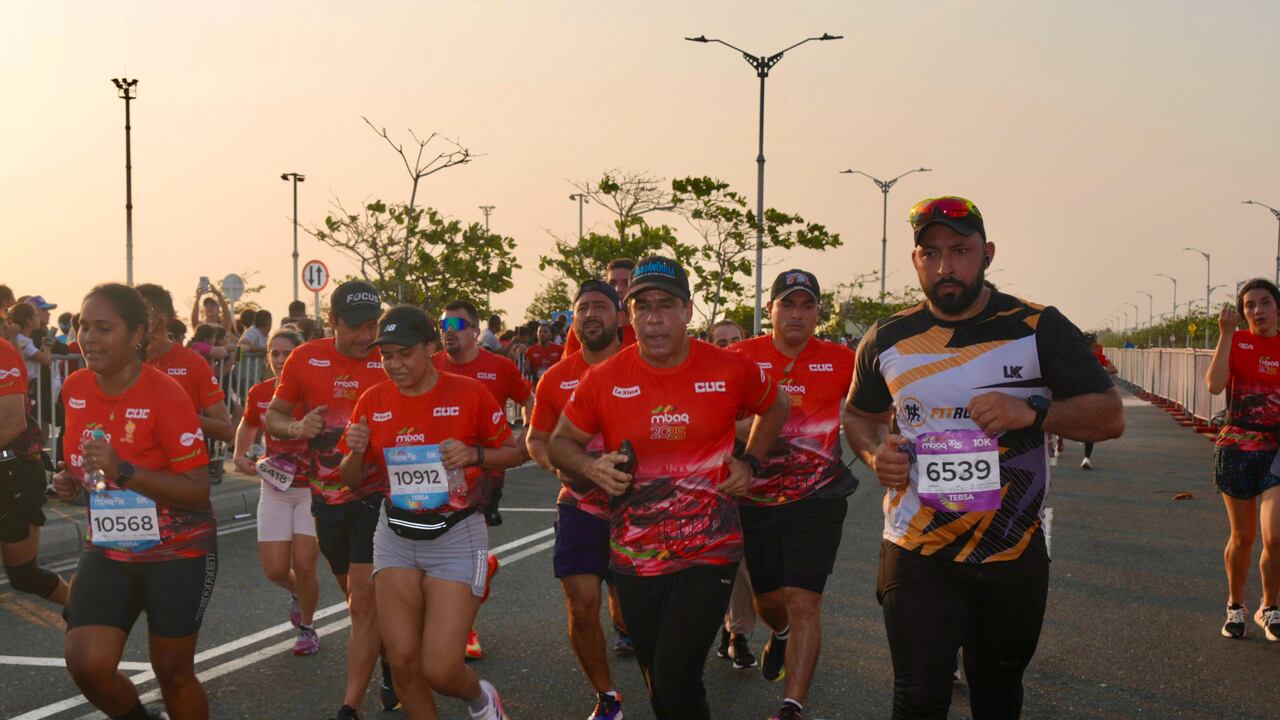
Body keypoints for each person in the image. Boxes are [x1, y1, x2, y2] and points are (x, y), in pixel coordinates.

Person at [843, 196, 1123, 719]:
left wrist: (1032, 411)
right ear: (915, 261)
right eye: (931, 253)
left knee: (996, 695)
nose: (946, 266)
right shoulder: (887, 338)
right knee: (918, 697)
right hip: (915, 545)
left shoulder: (1038, 327)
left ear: (987, 253)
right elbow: (859, 415)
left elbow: (1109, 416)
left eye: (961, 250)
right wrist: (873, 451)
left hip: (1010, 550)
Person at [550, 256, 790, 719]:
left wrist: (752, 462)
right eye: (642, 307)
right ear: (630, 315)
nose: (654, 318)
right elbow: (559, 443)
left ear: (688, 310)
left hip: (709, 548)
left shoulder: (729, 367)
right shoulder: (604, 379)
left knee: (677, 673)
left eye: (666, 305)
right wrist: (591, 466)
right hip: (635, 555)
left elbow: (775, 406)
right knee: (659, 678)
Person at [339, 305, 521, 720]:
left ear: (430, 348)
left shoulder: (469, 394)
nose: (395, 365)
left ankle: (481, 700)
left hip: (456, 536)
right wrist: (354, 450)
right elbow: (351, 479)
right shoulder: (373, 400)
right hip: (396, 537)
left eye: (405, 354)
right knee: (402, 661)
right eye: (386, 356)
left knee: (439, 668)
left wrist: (474, 454)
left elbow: (515, 452)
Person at [53, 283, 218, 720]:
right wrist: (71, 482)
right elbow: (86, 466)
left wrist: (124, 470)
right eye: (82, 326)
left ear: (137, 335)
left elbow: (197, 488)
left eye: (103, 328)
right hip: (109, 547)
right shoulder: (75, 388)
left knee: (172, 670)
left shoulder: (166, 395)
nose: (88, 338)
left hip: (178, 549)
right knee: (87, 662)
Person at [265, 280, 397, 719]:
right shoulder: (306, 358)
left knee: (362, 595)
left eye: (372, 325)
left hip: (380, 491)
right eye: (357, 326)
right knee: (356, 598)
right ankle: (392, 658)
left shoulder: (389, 358)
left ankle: (352, 703)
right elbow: (275, 416)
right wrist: (296, 429)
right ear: (332, 322)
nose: (367, 336)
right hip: (326, 496)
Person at [732, 270, 857, 720]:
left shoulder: (843, 359)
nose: (797, 314)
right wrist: (746, 430)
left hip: (817, 499)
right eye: (788, 304)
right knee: (770, 600)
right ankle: (778, 632)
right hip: (756, 499)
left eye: (807, 306)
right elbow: (711, 413)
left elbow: (868, 413)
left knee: (805, 599)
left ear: (819, 313)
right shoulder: (740, 356)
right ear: (770, 310)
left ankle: (792, 706)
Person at [526, 280, 630, 720]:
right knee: (581, 606)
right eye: (582, 307)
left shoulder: (643, 364)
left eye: (601, 307)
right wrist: (563, 470)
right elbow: (536, 439)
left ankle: (664, 680)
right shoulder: (556, 378)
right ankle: (607, 697)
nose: (591, 314)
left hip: (641, 508)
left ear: (619, 316)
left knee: (633, 616)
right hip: (580, 505)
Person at [433, 299, 531, 659]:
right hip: (437, 472)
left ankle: (465, 626)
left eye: (457, 326)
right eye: (442, 326)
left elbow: (527, 398)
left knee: (461, 552)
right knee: (441, 551)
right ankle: (480, 570)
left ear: (475, 331)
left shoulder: (499, 367)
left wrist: (527, 432)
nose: (448, 332)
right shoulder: (432, 365)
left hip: (485, 473)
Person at [232, 328, 320, 655]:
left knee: (305, 562)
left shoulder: (314, 390)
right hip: (275, 486)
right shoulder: (261, 392)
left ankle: (308, 628)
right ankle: (299, 593)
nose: (280, 360)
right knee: (276, 569)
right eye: (275, 353)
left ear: (300, 355)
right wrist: (240, 454)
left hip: (311, 488)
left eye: (287, 353)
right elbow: (249, 422)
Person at [1206, 278, 1280, 641]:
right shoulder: (1235, 341)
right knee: (1244, 537)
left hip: (1276, 453)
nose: (1257, 310)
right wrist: (1225, 334)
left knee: (1276, 535)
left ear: (1277, 308)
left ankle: (1270, 607)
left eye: (1265, 302)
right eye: (1249, 305)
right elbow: (1214, 385)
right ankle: (1235, 605)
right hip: (1236, 450)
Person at [706, 319, 761, 669]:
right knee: (716, 565)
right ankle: (729, 629)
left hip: (749, 485)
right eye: (721, 341)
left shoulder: (752, 381)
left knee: (745, 563)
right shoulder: (702, 382)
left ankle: (737, 633)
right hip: (705, 488)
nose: (729, 347)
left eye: (736, 340)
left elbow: (766, 424)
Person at [1, 331, 69, 605]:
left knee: (24, 576)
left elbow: (12, 423)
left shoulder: (2, 351)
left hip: (12, 473)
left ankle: (87, 616)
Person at [135, 285, 234, 445]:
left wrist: (173, 414)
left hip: (180, 465)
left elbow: (226, 430)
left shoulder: (192, 363)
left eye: (132, 317)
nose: (125, 323)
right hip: (126, 467)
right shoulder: (119, 362)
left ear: (160, 321)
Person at [563, 258, 638, 355]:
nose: (618, 289)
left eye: (626, 283)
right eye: (613, 283)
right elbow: (570, 366)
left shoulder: (646, 326)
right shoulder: (584, 327)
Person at [1079, 333, 1119, 470]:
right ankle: (1086, 458)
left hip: (1075, 393)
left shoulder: (1074, 356)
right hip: (1094, 394)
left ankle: (1060, 439)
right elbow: (1113, 369)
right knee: (1090, 426)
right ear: (1093, 345)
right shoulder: (1099, 357)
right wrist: (1101, 373)